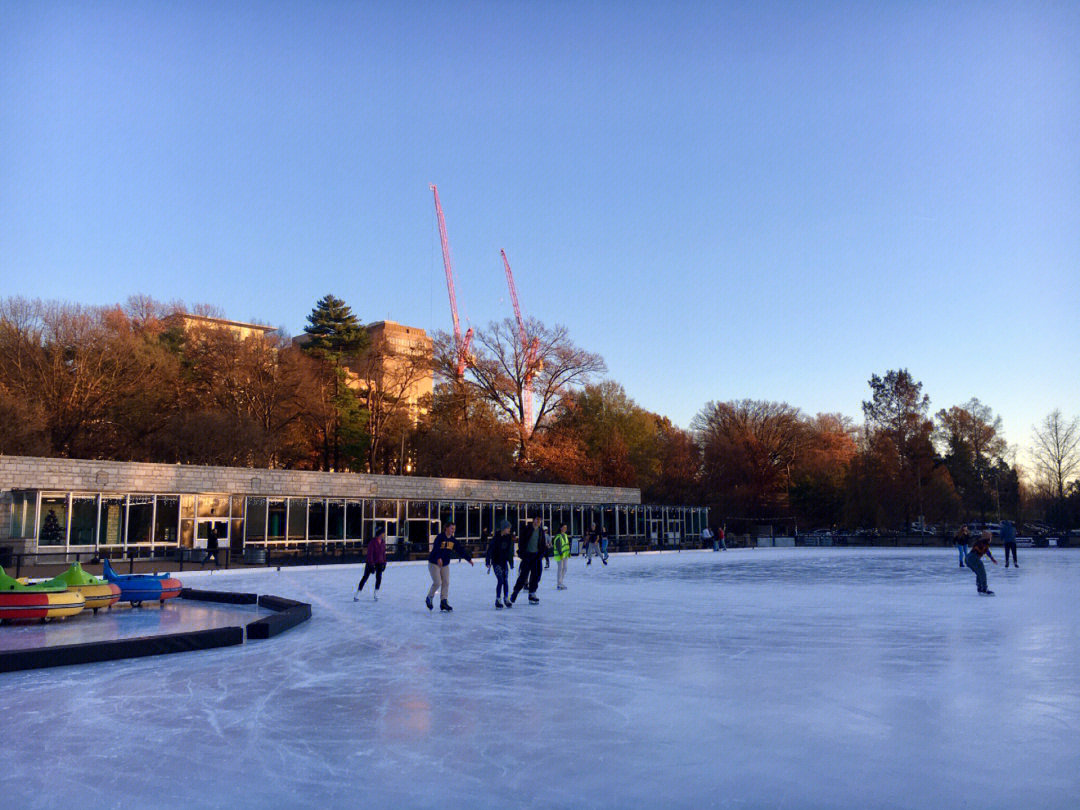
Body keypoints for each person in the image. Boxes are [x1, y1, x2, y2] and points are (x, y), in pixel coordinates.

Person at [426, 521, 473, 612]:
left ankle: (444, 601)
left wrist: (468, 559)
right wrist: (438, 558)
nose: (453, 530)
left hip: (445, 564)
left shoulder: (453, 540)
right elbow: (435, 548)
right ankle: (429, 597)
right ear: (446, 528)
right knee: (438, 582)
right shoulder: (440, 537)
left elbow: (460, 550)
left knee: (446, 582)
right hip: (434, 563)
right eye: (451, 528)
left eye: (454, 529)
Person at [510, 516, 549, 605]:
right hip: (527, 556)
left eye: (539, 521)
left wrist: (541, 554)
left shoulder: (541, 531)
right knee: (523, 575)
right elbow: (522, 542)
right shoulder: (527, 529)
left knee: (536, 575)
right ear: (533, 521)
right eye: (536, 520)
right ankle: (515, 592)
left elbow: (542, 544)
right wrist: (522, 553)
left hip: (536, 556)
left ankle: (532, 593)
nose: (537, 522)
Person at [485, 520, 515, 609]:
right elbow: (490, 550)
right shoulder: (496, 538)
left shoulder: (509, 538)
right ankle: (498, 599)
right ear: (504, 528)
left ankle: (506, 599)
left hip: (504, 562)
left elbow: (510, 551)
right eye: (508, 528)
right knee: (500, 580)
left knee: (505, 580)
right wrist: (488, 561)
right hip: (496, 562)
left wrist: (511, 562)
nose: (509, 530)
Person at [354, 527, 387, 602]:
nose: (384, 534)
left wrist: (384, 563)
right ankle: (358, 593)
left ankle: (376, 593)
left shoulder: (383, 542)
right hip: (371, 563)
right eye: (383, 533)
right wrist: (371, 564)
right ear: (379, 533)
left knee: (379, 578)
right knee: (365, 577)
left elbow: (383, 553)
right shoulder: (372, 542)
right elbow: (370, 554)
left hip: (380, 562)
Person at [965, 531, 997, 595]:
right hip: (973, 557)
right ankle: (984, 588)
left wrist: (992, 558)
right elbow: (985, 550)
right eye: (990, 537)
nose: (991, 538)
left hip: (968, 558)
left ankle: (980, 588)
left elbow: (986, 551)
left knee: (979, 573)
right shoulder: (984, 542)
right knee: (982, 573)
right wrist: (992, 558)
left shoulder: (982, 542)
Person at [551, 523, 571, 590]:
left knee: (565, 568)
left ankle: (561, 582)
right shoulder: (558, 536)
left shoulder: (565, 535)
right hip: (560, 556)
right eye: (564, 527)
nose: (565, 529)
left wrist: (567, 553)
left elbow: (566, 545)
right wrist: (561, 554)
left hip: (565, 555)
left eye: (566, 527)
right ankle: (559, 584)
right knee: (560, 569)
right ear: (560, 528)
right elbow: (558, 546)